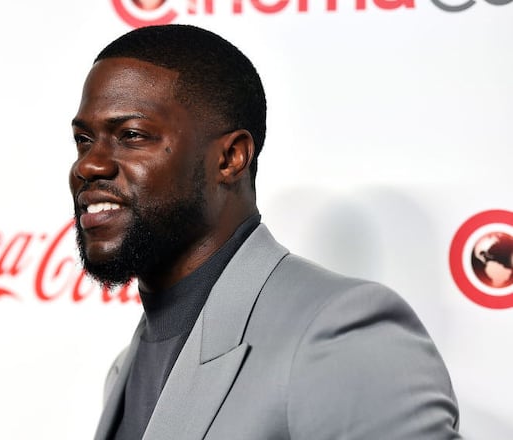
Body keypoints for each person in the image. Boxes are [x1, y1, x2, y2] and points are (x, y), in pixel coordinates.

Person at [69, 24, 460, 439]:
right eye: (83, 140)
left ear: (231, 158)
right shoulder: (123, 371)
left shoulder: (338, 333)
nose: (89, 166)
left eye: (131, 135)